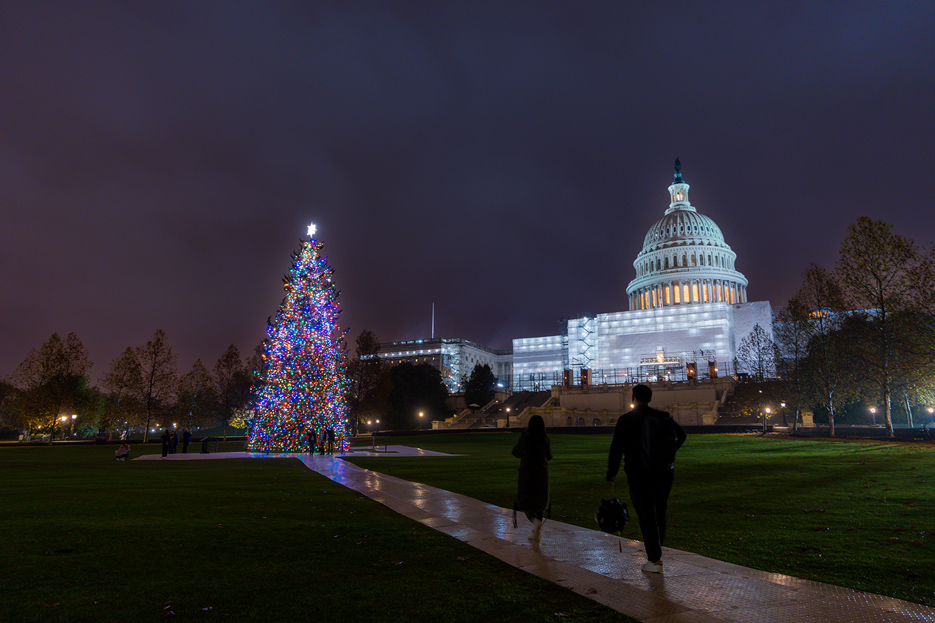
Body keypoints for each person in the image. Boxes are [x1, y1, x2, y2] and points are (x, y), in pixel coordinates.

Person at [606, 384, 686, 574]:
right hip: (664, 472)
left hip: (639, 473)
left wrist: (612, 472)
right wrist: (669, 453)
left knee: (646, 514)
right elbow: (681, 436)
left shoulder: (626, 419)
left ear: (633, 398)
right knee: (660, 511)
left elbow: (616, 448)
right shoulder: (662, 416)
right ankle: (657, 552)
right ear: (650, 398)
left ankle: (655, 559)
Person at [512, 414, 552, 543]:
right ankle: (536, 532)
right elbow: (549, 456)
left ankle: (535, 522)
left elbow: (516, 452)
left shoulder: (526, 437)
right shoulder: (545, 439)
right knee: (539, 503)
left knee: (526, 503)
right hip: (542, 473)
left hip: (528, 473)